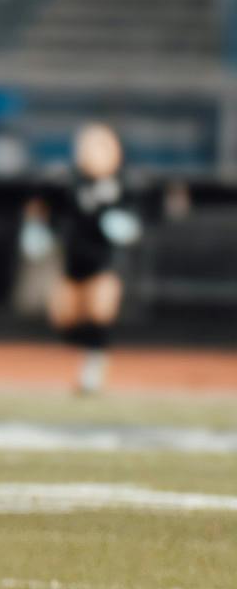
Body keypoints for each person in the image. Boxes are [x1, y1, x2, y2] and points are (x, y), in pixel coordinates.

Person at [20, 122, 187, 395]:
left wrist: (134, 224)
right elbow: (38, 203)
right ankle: (88, 353)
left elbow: (164, 205)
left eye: (103, 146)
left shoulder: (128, 182)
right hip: (71, 262)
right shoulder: (63, 180)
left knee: (100, 311)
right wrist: (35, 229)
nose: (95, 153)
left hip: (107, 263)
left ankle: (93, 371)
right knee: (66, 323)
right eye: (89, 146)